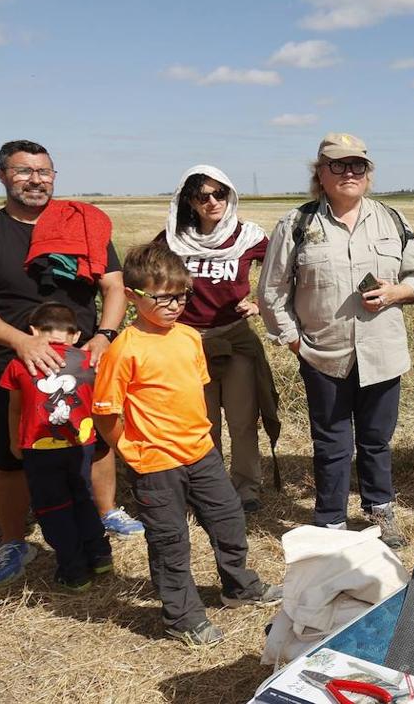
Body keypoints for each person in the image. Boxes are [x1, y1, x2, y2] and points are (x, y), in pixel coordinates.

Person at [0, 140, 143, 589]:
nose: (36, 179)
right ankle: (15, 540)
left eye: (45, 172)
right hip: (14, 367)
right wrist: (21, 343)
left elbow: (114, 288)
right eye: (24, 171)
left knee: (97, 444)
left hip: (85, 363)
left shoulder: (84, 227)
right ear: (1, 176)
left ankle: (105, 513)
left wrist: (105, 338)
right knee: (12, 454)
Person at [92, 242, 281, 648]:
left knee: (229, 518)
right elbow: (106, 413)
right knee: (170, 542)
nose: (175, 305)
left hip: (202, 454)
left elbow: (193, 392)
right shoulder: (123, 350)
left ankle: (238, 586)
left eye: (182, 295)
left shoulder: (189, 338)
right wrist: (131, 451)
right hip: (155, 465)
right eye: (163, 298)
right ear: (132, 296)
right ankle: (182, 617)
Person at [259, 133, 414, 548]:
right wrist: (294, 341)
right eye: (337, 165)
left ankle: (379, 509)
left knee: (376, 439)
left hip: (383, 352)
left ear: (368, 174)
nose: (348, 173)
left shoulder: (393, 220)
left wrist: (397, 292)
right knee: (331, 441)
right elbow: (271, 292)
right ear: (320, 173)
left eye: (357, 165)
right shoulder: (297, 224)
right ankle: (331, 521)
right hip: (323, 353)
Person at [159, 166, 280, 513]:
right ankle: (208, 489)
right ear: (190, 202)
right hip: (188, 343)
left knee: (243, 420)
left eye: (219, 194)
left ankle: (246, 489)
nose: (213, 202)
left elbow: (283, 272)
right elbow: (148, 275)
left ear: (230, 195)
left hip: (235, 339)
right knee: (202, 421)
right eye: (202, 196)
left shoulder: (249, 237)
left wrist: (260, 304)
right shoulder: (173, 238)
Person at [0, 302, 111, 592]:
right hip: (82, 443)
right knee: (82, 497)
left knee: (53, 508)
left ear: (34, 331)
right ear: (75, 336)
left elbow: (14, 409)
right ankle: (99, 554)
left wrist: (14, 441)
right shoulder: (89, 362)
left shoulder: (18, 363)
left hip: (39, 446)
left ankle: (74, 571)